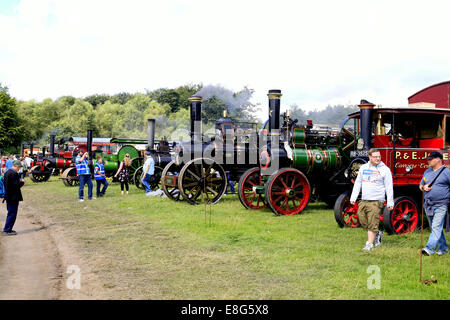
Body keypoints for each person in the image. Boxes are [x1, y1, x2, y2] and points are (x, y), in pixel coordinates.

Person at [350, 148, 394, 251]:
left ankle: (369, 244)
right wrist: (353, 197)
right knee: (362, 220)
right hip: (364, 199)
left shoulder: (385, 169)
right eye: (375, 157)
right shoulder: (364, 168)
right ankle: (378, 233)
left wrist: (390, 202)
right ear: (370, 157)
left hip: (377, 200)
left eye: (379, 156)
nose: (378, 158)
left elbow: (389, 186)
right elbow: (358, 183)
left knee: (373, 222)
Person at [419, 151, 450, 256]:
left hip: (441, 205)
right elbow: (420, 185)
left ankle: (429, 249)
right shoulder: (427, 172)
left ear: (438, 159)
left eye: (430, 159)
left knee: (436, 227)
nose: (428, 161)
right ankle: (444, 248)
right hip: (428, 205)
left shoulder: (447, 172)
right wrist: (424, 187)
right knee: (435, 228)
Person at [2, 160, 25, 236]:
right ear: (17, 166)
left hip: (9, 196)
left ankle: (8, 229)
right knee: (12, 213)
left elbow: (3, 180)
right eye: (19, 167)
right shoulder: (13, 173)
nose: (19, 169)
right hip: (13, 197)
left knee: (10, 213)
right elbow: (16, 185)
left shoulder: (7, 172)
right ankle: (7, 230)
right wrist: (22, 182)